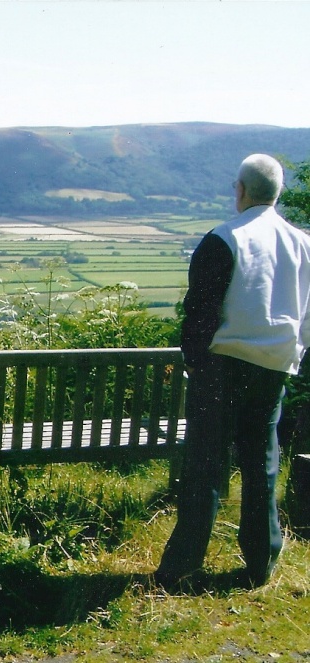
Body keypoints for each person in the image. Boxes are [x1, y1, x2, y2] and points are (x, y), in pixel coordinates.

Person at [155, 153, 310, 588]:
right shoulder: (303, 243)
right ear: (276, 192)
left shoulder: (224, 238)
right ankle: (262, 561)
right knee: (262, 462)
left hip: (223, 366)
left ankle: (183, 563)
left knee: (205, 463)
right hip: (275, 366)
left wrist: (195, 361)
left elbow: (199, 313)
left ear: (240, 190)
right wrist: (290, 355)